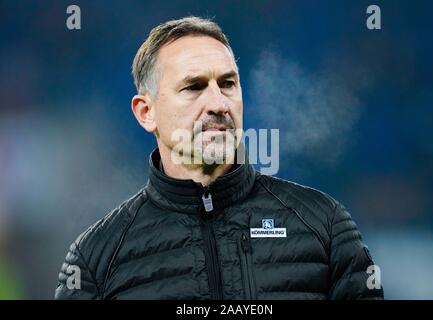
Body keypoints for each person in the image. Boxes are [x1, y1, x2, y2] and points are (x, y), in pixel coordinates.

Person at [54, 16, 384, 300]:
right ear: (146, 112)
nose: (218, 103)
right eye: (194, 86)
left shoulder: (325, 225)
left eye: (227, 84)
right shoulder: (95, 259)